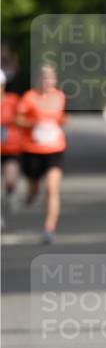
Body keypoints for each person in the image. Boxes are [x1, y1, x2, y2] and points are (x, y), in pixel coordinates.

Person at [16, 64, 66, 243]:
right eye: (44, 78)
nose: (48, 81)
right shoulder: (29, 97)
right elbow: (18, 119)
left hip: (54, 148)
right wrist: (33, 123)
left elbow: (60, 118)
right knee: (34, 189)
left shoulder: (59, 97)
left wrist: (59, 123)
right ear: (38, 79)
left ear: (55, 79)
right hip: (32, 149)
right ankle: (30, 196)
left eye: (51, 78)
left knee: (52, 188)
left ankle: (49, 228)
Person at [1, 68, 22, 220]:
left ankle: (11, 192)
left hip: (10, 148)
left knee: (10, 179)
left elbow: (22, 119)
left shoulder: (13, 100)